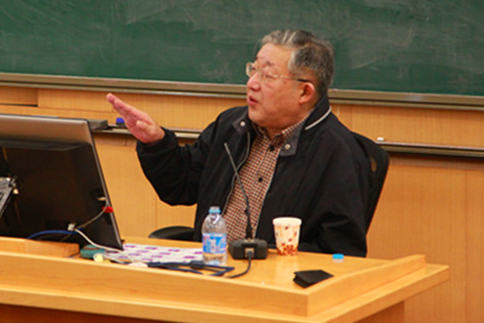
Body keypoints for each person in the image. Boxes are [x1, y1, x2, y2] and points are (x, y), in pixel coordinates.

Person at [107, 29, 370, 256]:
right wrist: (156, 143)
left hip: (275, 285)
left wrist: (266, 260)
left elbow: (340, 251)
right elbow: (182, 186)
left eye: (267, 76)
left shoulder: (338, 152)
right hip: (211, 269)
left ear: (304, 92)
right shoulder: (232, 126)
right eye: (253, 70)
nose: (252, 84)